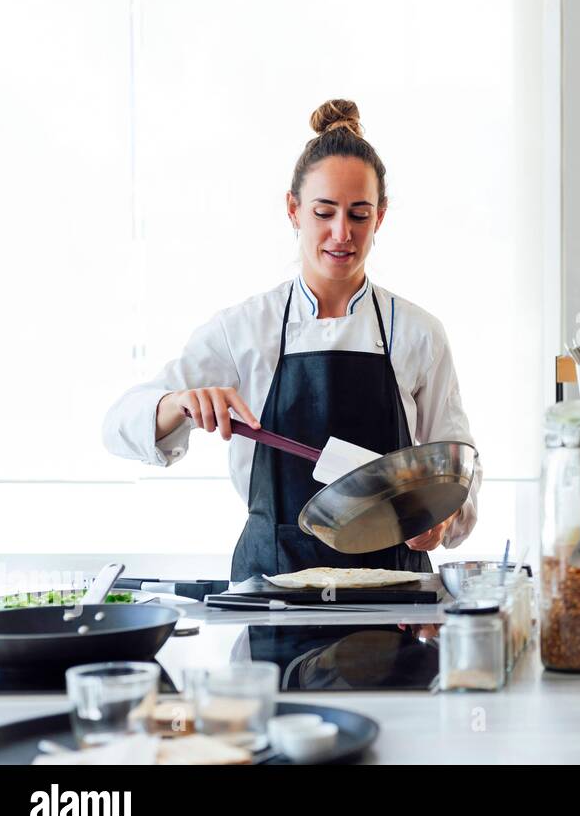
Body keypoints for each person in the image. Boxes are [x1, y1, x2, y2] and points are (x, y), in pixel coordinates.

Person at [103, 99, 479, 580]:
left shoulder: (418, 332)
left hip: (393, 597)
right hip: (273, 594)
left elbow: (458, 467)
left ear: (380, 217)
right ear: (293, 209)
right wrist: (178, 402)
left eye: (359, 215)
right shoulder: (244, 328)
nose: (341, 233)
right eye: (324, 212)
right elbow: (118, 426)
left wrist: (443, 518)